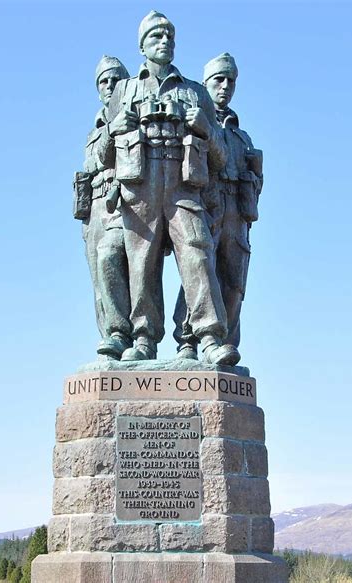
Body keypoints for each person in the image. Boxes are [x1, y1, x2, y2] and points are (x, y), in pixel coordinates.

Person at [97, 11, 239, 365]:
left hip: (182, 185)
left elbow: (221, 159)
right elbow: (103, 155)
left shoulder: (195, 92)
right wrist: (116, 126)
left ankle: (208, 338)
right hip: (140, 186)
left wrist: (206, 127)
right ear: (142, 46)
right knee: (140, 263)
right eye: (156, 37)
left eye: (169, 37)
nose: (164, 43)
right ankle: (143, 338)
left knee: (197, 252)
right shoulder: (125, 90)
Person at [173, 53, 263, 355]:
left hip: (237, 212)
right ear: (205, 83)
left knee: (234, 282)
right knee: (198, 271)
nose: (225, 86)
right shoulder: (194, 121)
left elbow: (256, 178)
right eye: (218, 80)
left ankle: (226, 344)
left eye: (231, 81)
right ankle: (187, 339)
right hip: (205, 202)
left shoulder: (242, 135)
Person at [79, 55, 133, 359]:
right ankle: (113, 342)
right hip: (95, 208)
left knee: (115, 261)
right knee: (100, 281)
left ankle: (124, 332)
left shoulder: (130, 117)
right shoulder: (96, 128)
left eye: (115, 79)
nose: (110, 85)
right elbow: (91, 164)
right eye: (104, 81)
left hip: (127, 201)